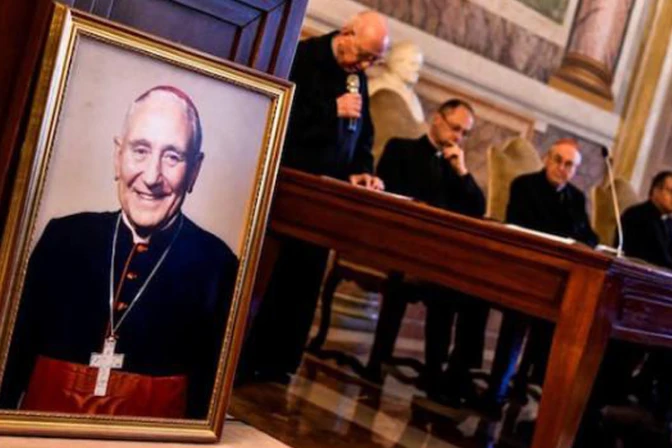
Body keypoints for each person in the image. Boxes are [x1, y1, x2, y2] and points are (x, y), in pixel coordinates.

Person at [0, 86, 238, 419]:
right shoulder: (63, 239)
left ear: (194, 170)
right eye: (140, 150)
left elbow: (204, 408)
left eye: (173, 156)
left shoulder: (218, 266)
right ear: (118, 155)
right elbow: (10, 368)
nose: (152, 177)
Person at [241, 11, 390, 384]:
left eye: (374, 60)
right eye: (365, 55)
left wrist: (362, 170)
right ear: (347, 33)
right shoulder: (303, 58)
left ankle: (280, 362)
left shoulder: (356, 77)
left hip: (326, 195)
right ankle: (249, 357)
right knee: (276, 276)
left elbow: (363, 135)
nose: (366, 66)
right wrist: (332, 110)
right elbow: (282, 116)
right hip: (291, 185)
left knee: (306, 279)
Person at [367, 98, 488, 405]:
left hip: (438, 255)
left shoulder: (453, 165)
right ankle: (431, 372)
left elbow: (477, 209)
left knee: (477, 292)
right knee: (444, 285)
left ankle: (457, 373)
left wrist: (462, 171)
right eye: (455, 128)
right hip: (401, 245)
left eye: (465, 133)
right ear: (437, 119)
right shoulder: (401, 149)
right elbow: (392, 199)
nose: (458, 137)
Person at [482, 138, 598, 417]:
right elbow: (521, 224)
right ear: (547, 159)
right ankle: (497, 390)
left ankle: (526, 385)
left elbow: (588, 236)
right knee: (517, 322)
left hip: (560, 277)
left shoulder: (575, 198)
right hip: (525, 270)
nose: (562, 168)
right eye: (558, 160)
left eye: (569, 165)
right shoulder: (524, 185)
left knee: (562, 319)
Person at [367, 40, 426, 163]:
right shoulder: (374, 87)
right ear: (397, 63)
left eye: (419, 65)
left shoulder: (414, 99)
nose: (418, 69)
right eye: (413, 64)